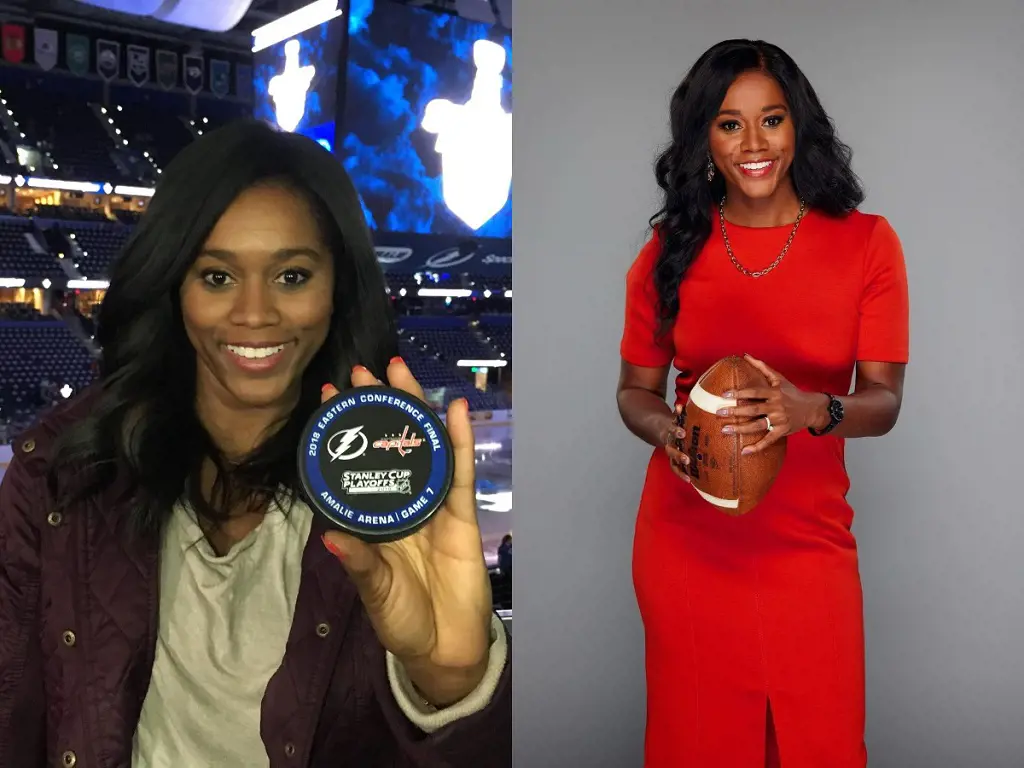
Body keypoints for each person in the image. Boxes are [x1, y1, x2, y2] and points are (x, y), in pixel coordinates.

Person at [0, 120, 510, 767]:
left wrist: (455, 684)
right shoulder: (58, 479)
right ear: (173, 285)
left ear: (337, 287)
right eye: (216, 277)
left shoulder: (393, 498)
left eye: (292, 276)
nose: (254, 314)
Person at [616, 40, 909, 768]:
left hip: (806, 544)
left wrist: (813, 409)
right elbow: (634, 391)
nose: (752, 145)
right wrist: (669, 433)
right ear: (703, 140)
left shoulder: (867, 245)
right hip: (687, 541)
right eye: (728, 124)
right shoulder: (670, 251)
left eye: (770, 120)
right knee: (699, 747)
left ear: (797, 127)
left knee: (819, 747)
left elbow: (884, 401)